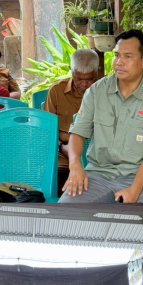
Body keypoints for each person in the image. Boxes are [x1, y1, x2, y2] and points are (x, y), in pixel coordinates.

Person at [61, 30, 143, 204]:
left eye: (128, 56)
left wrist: (135, 190)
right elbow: (78, 131)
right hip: (98, 175)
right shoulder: (96, 91)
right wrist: (75, 166)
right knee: (65, 213)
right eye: (116, 55)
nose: (119, 62)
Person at [43, 49, 100, 187]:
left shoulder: (106, 93)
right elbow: (46, 132)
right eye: (79, 79)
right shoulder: (57, 91)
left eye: (90, 79)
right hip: (63, 159)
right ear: (71, 71)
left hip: (97, 161)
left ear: (97, 72)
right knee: (61, 186)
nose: (85, 84)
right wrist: (62, 147)